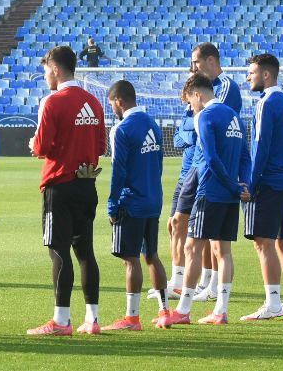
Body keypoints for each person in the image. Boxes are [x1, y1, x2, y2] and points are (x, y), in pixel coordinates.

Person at [26, 45, 107, 337]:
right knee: (85, 252)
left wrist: (34, 145)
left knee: (58, 251)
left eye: (46, 69)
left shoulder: (52, 102)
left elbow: (43, 146)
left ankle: (61, 321)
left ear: (56, 69)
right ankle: (93, 319)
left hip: (59, 186)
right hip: (87, 184)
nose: (45, 75)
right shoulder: (94, 102)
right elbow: (101, 147)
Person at [166, 73, 245, 326]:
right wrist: (244, 185)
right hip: (230, 196)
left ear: (197, 94)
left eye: (190, 102)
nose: (191, 108)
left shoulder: (205, 116)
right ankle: (221, 310)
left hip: (210, 191)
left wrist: (230, 184)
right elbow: (246, 156)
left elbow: (210, 159)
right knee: (223, 251)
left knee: (192, 248)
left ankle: (183, 309)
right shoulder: (235, 117)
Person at [103, 81, 169, 330]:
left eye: (111, 104)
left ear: (118, 100)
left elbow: (118, 171)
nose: (112, 109)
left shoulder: (121, 129)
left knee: (131, 260)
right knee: (151, 255)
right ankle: (164, 311)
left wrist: (112, 204)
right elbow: (159, 163)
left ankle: (132, 318)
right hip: (153, 199)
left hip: (132, 202)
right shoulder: (153, 124)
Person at [242, 53, 283, 320]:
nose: (248, 77)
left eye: (251, 72)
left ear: (266, 74)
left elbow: (261, 146)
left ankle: (273, 303)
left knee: (263, 243)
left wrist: (250, 184)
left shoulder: (266, 103)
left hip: (270, 181)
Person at [167, 86, 199, 300]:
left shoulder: (201, 112)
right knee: (172, 225)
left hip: (194, 174)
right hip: (183, 175)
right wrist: (188, 132)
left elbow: (192, 137)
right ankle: (176, 279)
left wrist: (188, 132)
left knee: (191, 230)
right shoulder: (189, 112)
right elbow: (178, 140)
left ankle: (189, 282)